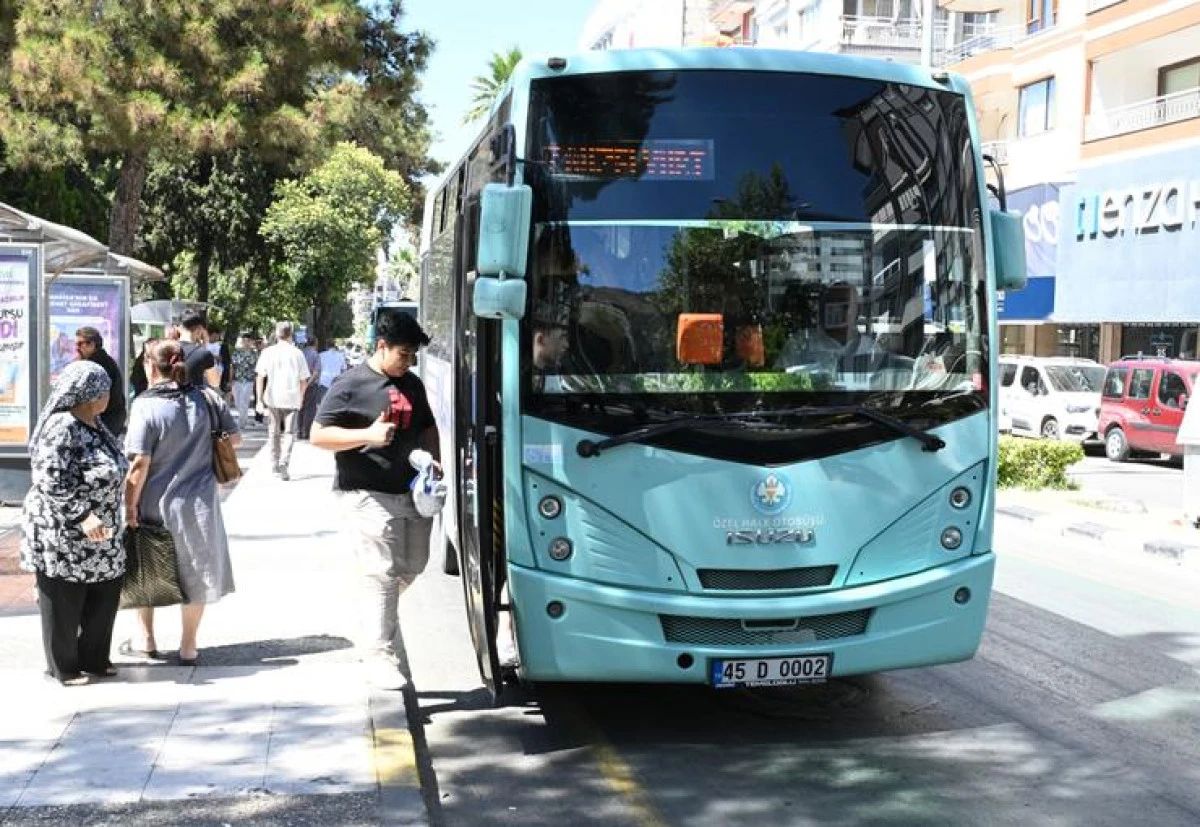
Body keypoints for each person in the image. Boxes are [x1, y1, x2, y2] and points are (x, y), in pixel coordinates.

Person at [310, 311, 439, 690]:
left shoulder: (413, 384)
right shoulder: (350, 384)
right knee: (381, 573)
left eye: (413, 355)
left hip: (413, 492)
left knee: (413, 565)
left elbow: (428, 426)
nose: (409, 361)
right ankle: (379, 655)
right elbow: (318, 435)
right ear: (381, 346)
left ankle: (371, 616)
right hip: (366, 492)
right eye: (403, 353)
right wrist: (366, 434)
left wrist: (436, 463)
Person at [123, 339, 239, 665]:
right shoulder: (206, 397)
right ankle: (189, 645)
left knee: (144, 570)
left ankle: (146, 639)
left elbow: (139, 462)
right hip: (199, 504)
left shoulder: (145, 405)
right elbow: (236, 438)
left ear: (149, 365)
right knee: (196, 573)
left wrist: (129, 505)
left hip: (153, 504)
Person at [20, 361, 128, 686]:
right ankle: (63, 666)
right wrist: (83, 515)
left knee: (105, 593)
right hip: (65, 530)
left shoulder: (95, 423)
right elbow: (50, 480)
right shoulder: (61, 426)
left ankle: (94, 658)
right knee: (64, 597)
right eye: (105, 389)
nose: (109, 395)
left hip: (102, 531)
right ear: (89, 394)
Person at [255, 321, 310, 481]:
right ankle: (284, 462)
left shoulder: (268, 352)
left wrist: (259, 400)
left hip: (272, 397)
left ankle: (274, 464)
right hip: (292, 398)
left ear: (276, 334)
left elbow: (260, 376)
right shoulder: (297, 354)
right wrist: (301, 397)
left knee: (273, 432)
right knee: (290, 433)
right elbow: (303, 380)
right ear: (290, 334)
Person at [75, 326, 127, 437]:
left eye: (80, 344)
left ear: (92, 345)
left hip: (105, 420)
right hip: (111, 419)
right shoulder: (103, 361)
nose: (77, 348)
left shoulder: (96, 366)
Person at [177, 310, 220, 388]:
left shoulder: (166, 349)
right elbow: (215, 382)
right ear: (200, 329)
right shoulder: (203, 353)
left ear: (179, 328)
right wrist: (205, 345)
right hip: (192, 398)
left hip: (168, 397)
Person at [230, 333, 259, 429]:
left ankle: (241, 423)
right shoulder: (236, 352)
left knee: (244, 401)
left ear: (251, 342)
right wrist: (231, 379)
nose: (246, 343)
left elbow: (257, 368)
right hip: (237, 380)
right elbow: (232, 366)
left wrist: (256, 380)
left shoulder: (255, 354)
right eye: (244, 340)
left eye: (248, 341)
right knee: (238, 402)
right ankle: (243, 418)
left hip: (249, 380)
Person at [296, 337, 321, 440]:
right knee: (310, 409)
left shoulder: (300, 354)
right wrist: (308, 383)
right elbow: (315, 373)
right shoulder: (315, 355)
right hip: (311, 385)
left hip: (299, 384)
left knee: (300, 407)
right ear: (315, 343)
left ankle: (299, 431)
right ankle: (306, 432)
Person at [313, 339, 347, 415]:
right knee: (333, 403)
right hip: (335, 382)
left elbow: (318, 369)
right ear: (334, 345)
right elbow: (344, 370)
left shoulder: (321, 355)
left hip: (323, 382)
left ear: (327, 346)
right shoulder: (341, 356)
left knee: (321, 403)